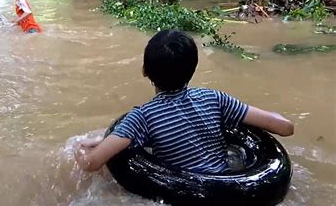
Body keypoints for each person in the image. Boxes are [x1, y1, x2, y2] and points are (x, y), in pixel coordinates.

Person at [74, 29, 294, 173]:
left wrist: (78, 150)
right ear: (193, 68)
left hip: (182, 197)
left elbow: (91, 163)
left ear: (144, 71)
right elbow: (285, 128)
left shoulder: (142, 118)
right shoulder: (215, 99)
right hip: (226, 187)